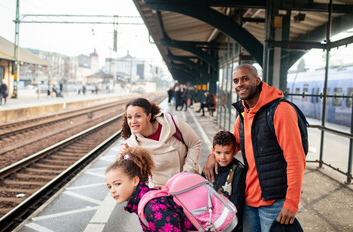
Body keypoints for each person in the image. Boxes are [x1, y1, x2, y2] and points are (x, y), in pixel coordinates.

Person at [203, 64, 306, 231]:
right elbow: (233, 145)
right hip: (249, 199)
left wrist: (292, 203)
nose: (240, 84)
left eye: (245, 79)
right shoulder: (243, 115)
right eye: (236, 80)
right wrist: (212, 156)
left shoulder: (280, 111)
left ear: (257, 81)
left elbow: (295, 159)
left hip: (275, 201)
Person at [105, 146, 196, 231]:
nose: (112, 190)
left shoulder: (152, 207)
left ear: (135, 181)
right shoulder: (147, 201)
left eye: (117, 184)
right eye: (109, 186)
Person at [121, 98, 201, 187]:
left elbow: (195, 143)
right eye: (129, 117)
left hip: (189, 182)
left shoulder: (172, 124)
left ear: (148, 116)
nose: (133, 121)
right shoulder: (132, 145)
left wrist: (187, 173)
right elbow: (137, 174)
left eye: (138, 116)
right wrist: (126, 157)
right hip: (161, 191)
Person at [202, 130, 246, 232]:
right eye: (218, 153)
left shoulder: (238, 170)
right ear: (213, 151)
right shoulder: (209, 167)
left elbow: (237, 201)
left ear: (235, 151)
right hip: (210, 221)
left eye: (227, 153)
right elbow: (202, 192)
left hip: (230, 222)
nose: (222, 157)